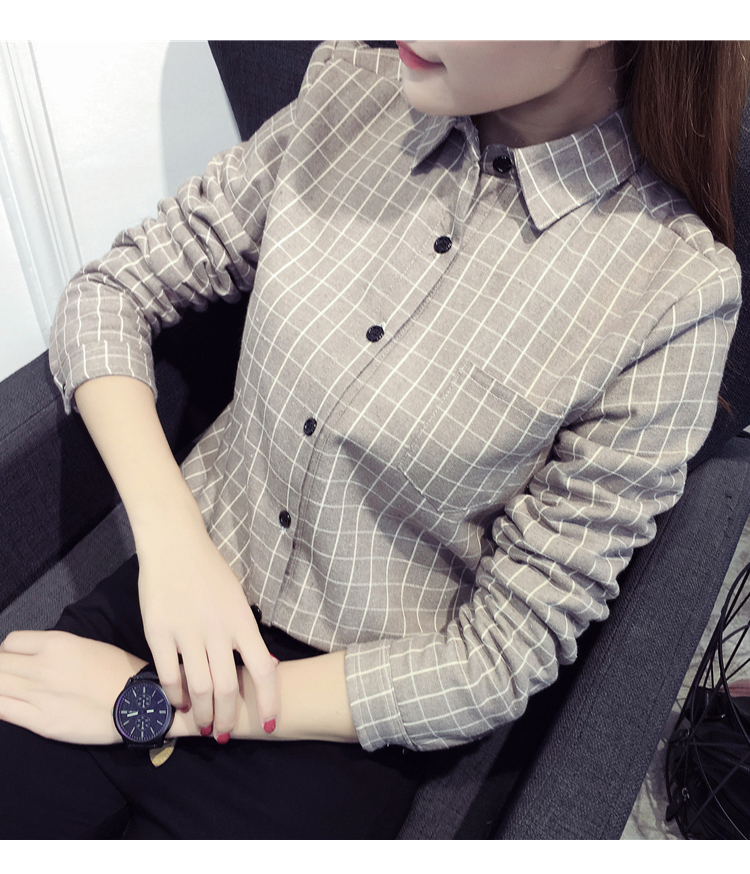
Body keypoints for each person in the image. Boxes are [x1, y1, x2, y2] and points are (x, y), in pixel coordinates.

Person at [0, 39, 749, 839]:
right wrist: (173, 541)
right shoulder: (346, 96)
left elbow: (500, 657)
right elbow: (110, 293)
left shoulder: (673, 293)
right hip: (171, 593)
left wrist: (148, 705)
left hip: (341, 716)